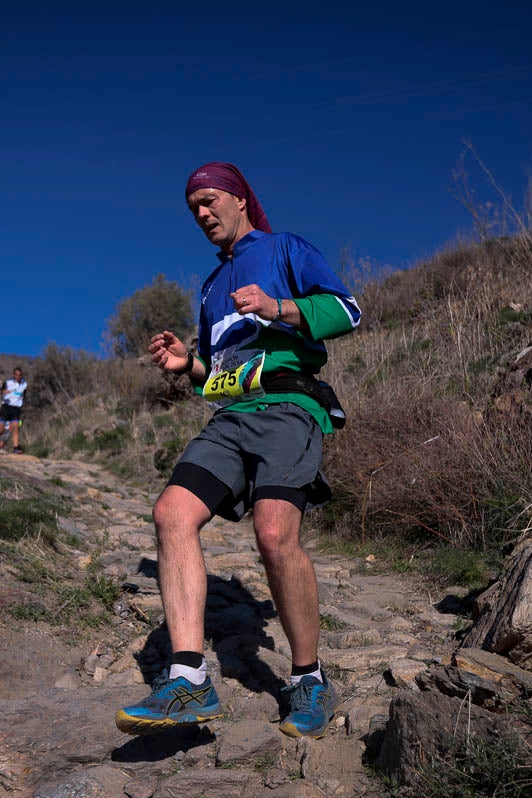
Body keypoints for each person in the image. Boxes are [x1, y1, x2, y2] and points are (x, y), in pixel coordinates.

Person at [115, 162, 361, 740]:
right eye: (192, 208)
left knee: (274, 535)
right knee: (171, 513)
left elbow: (347, 311)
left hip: (289, 406)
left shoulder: (285, 249)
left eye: (209, 200)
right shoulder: (210, 286)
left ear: (240, 198)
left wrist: (280, 308)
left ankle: (308, 679)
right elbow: (219, 376)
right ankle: (188, 679)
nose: (202, 214)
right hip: (231, 415)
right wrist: (188, 365)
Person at [0, 367, 27, 454]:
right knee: (1, 430)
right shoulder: (7, 383)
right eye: (16, 375)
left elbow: (24, 395)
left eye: (19, 375)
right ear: (13, 375)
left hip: (16, 408)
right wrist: (2, 392)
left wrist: (22, 404)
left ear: (22, 375)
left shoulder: (24, 384)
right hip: (6, 407)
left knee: (15, 429)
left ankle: (16, 447)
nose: (18, 377)